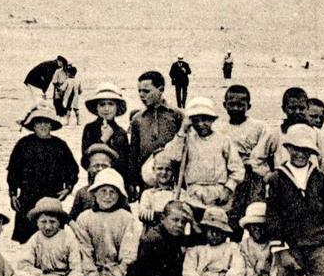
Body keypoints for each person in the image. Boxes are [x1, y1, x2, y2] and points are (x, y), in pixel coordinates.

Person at [265, 124, 324, 276]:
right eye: (296, 149)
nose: (300, 154)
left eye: (305, 150)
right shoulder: (276, 179)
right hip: (292, 245)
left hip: (319, 244)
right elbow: (273, 217)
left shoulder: (320, 178)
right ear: (288, 148)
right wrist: (281, 251)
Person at [146, 97, 243, 213]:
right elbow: (172, 156)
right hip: (194, 195)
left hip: (219, 193)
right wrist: (182, 130)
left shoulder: (223, 140)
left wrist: (228, 189)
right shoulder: (187, 140)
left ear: (212, 120)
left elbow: (237, 169)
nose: (201, 124)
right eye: (196, 120)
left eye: (205, 120)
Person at [71, 169, 142, 276]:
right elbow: (84, 248)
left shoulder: (126, 218)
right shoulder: (84, 218)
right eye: (103, 191)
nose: (107, 196)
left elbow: (129, 251)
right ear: (94, 193)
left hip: (117, 270)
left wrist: (117, 273)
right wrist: (91, 272)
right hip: (93, 270)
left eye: (112, 192)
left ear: (120, 195)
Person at [7, 106, 78, 244]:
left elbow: (73, 170)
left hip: (52, 197)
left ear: (52, 124)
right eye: (39, 122)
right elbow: (13, 170)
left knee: (53, 235)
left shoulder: (60, 145)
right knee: (28, 240)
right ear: (33, 125)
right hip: (28, 198)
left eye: (46, 122)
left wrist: (68, 188)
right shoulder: (23, 144)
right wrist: (13, 193)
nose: (43, 125)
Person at [249, 87, 324, 203]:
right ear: (284, 109)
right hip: (284, 189)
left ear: (307, 108)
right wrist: (269, 175)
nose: (297, 112)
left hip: (311, 190)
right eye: (292, 108)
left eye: (301, 108)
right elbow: (255, 159)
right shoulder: (276, 133)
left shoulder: (317, 134)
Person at [217, 85, 266, 239]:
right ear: (225, 105)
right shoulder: (219, 128)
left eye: (241, 105)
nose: (236, 108)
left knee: (253, 214)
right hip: (230, 177)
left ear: (248, 106)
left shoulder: (259, 127)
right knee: (231, 214)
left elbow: (264, 153)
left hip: (253, 178)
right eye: (232, 104)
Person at [124, 201, 196, 276]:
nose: (180, 225)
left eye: (184, 222)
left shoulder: (174, 234)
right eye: (175, 220)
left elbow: (200, 242)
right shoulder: (154, 238)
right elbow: (146, 274)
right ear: (162, 219)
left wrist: (193, 223)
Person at [16, 198, 85, 276]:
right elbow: (24, 264)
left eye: (52, 222)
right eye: (43, 222)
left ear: (60, 222)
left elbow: (77, 269)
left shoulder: (68, 239)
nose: (48, 226)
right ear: (37, 222)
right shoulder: (35, 239)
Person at [182, 206, 245, 276]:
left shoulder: (232, 248)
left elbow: (238, 266)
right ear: (205, 230)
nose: (215, 235)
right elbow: (188, 267)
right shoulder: (197, 249)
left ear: (225, 232)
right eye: (211, 230)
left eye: (219, 231)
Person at [129, 71, 183, 200]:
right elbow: (134, 151)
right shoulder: (137, 119)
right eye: (139, 91)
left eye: (146, 91)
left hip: (171, 178)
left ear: (161, 90)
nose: (141, 95)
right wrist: (132, 181)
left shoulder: (176, 115)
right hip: (146, 180)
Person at [80, 83, 132, 193]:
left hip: (118, 185)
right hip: (96, 184)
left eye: (111, 104)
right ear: (96, 107)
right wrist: (103, 139)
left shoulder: (121, 132)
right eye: (102, 104)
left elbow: (126, 162)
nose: (106, 109)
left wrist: (128, 185)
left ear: (117, 107)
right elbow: (85, 160)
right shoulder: (90, 129)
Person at [239, 202, 280, 276]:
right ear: (247, 228)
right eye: (253, 226)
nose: (257, 229)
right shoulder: (244, 245)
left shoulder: (274, 244)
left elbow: (276, 267)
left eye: (261, 226)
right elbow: (246, 266)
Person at [70, 144, 120, 222]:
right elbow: (73, 218)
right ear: (88, 168)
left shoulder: (118, 191)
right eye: (96, 166)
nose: (100, 169)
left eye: (104, 166)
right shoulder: (82, 193)